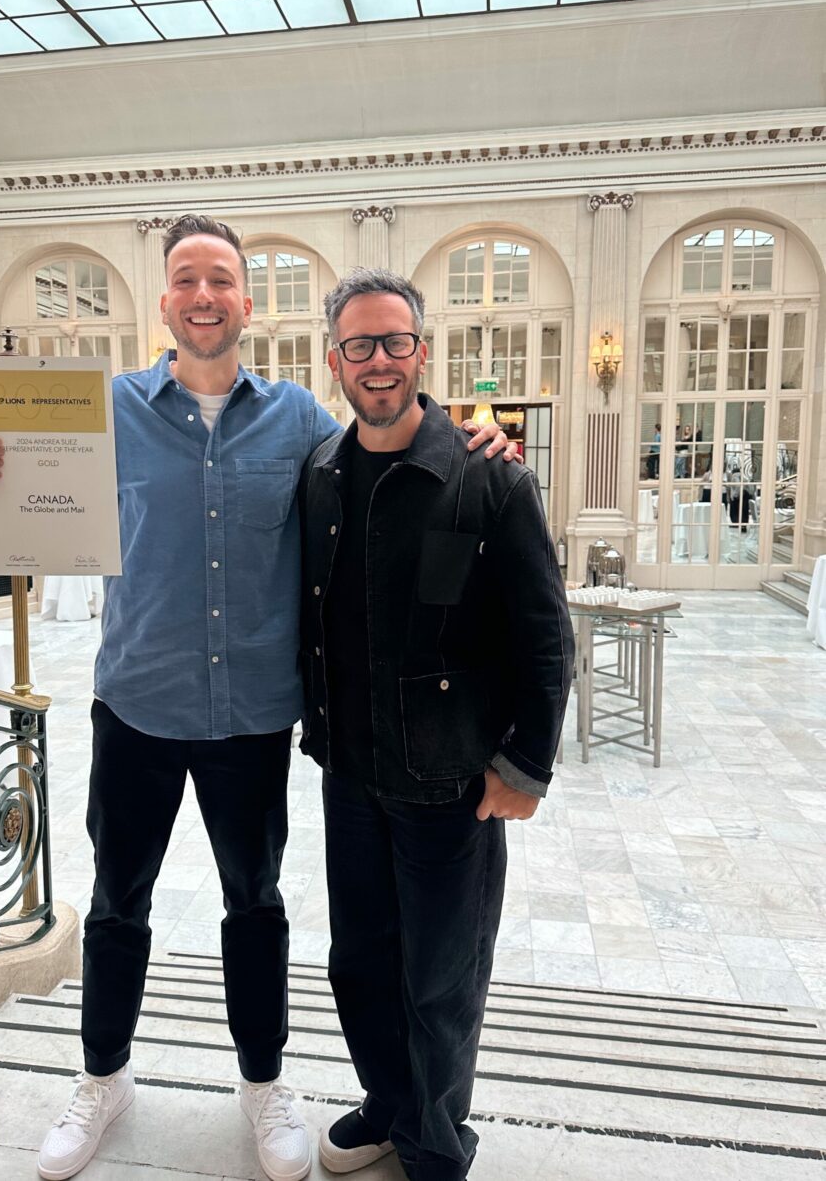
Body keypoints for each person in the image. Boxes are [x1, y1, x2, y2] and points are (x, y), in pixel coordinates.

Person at [0, 216, 516, 1181]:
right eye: (186, 278)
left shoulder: (300, 420)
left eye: (222, 278)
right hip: (136, 701)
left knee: (254, 903)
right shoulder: (105, 413)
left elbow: (393, 444)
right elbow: (31, 508)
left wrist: (480, 438)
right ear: (164, 300)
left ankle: (263, 1085)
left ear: (246, 304)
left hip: (253, 714)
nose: (204, 294)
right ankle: (104, 1076)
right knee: (116, 902)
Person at [298, 268, 574, 1180]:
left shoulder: (490, 479)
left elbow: (546, 635)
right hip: (354, 773)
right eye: (359, 345)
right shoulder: (324, 475)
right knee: (360, 963)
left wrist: (525, 764)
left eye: (394, 342)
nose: (377, 361)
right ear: (334, 357)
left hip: (450, 783)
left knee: (443, 981)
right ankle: (390, 1103)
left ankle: (435, 1144)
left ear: (423, 350)